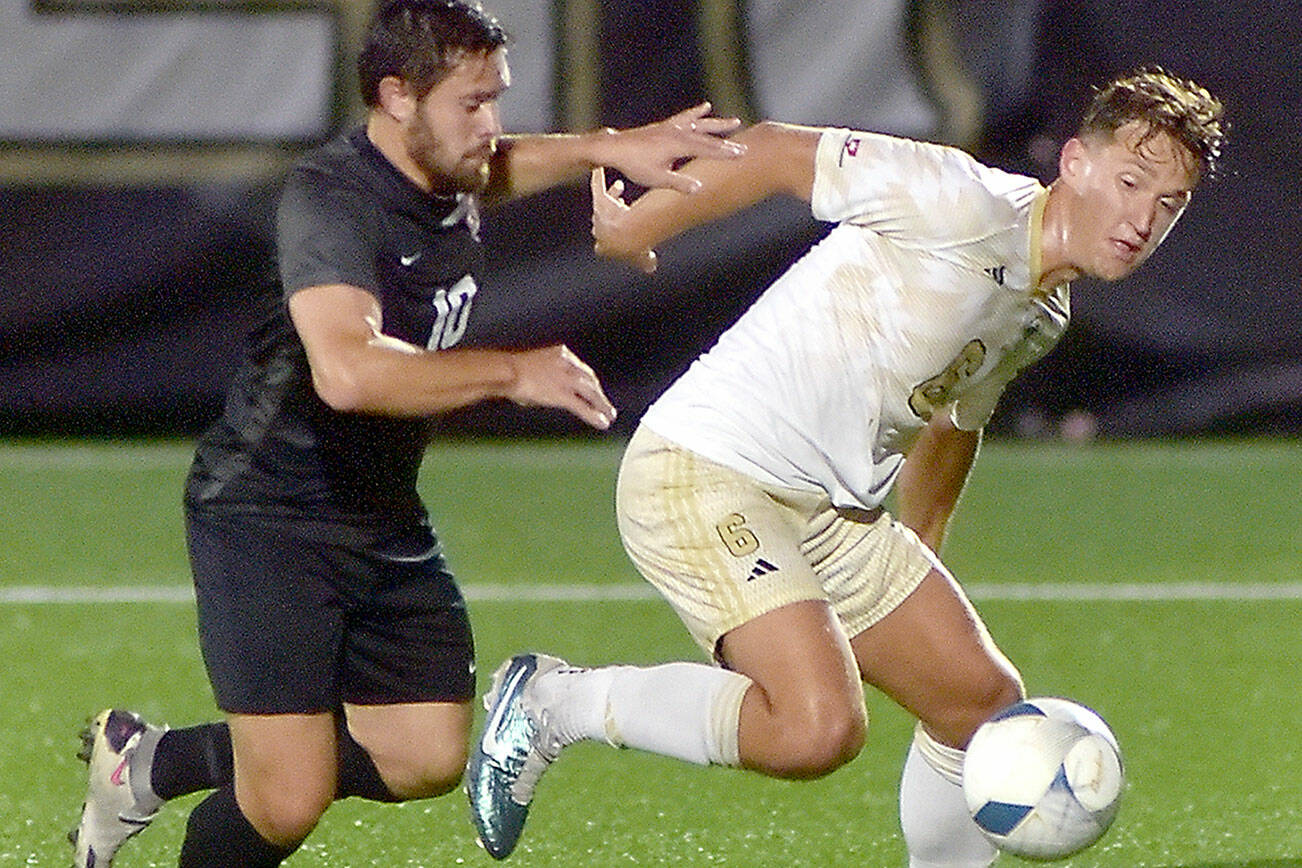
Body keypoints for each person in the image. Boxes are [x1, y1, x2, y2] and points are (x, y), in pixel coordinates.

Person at [467, 67, 1224, 865]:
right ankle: (557, 703)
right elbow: (771, 153)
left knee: (981, 706)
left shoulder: (1044, 308)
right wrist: (639, 227)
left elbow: (953, 417)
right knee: (817, 728)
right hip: (709, 465)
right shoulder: (960, 200)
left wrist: (923, 543)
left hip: (832, 514)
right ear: (1075, 161)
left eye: (1168, 204)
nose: (1141, 218)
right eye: (1131, 182)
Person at [69, 2, 747, 865]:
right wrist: (511, 371)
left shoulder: (443, 168)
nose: (492, 125)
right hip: (271, 515)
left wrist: (604, 146)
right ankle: (176, 781)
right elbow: (346, 372)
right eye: (471, 103)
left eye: (496, 97)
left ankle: (152, 761)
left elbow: (496, 167)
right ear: (396, 97)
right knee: (287, 799)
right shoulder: (331, 202)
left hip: (380, 512)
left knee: (425, 754)